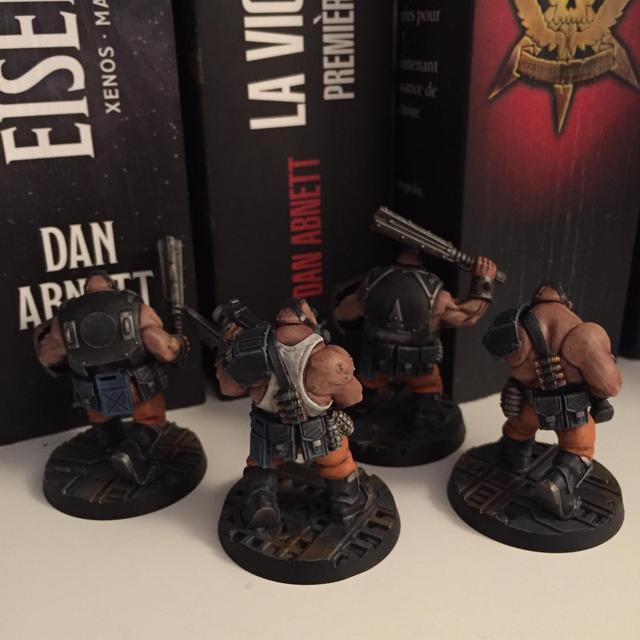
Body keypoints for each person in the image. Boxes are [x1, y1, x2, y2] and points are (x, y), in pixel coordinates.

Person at [216, 298, 364, 529]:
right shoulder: (326, 356)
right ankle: (346, 504)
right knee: (338, 463)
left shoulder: (252, 349)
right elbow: (354, 396)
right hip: (319, 430)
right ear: (308, 321)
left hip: (270, 430)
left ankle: (260, 500)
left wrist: (226, 357)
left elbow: (229, 388)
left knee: (262, 465)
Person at [483, 283, 623, 518]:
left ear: (534, 301)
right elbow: (610, 384)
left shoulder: (514, 325)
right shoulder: (582, 332)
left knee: (518, 431)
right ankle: (558, 484)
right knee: (579, 446)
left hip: (525, 407)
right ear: (567, 303)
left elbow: (499, 355)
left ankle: (512, 459)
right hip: (567, 412)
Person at [35, 271, 187, 485]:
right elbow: (158, 343)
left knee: (102, 421)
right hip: (136, 384)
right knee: (150, 418)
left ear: (85, 290)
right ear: (113, 286)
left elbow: (49, 355)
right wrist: (177, 346)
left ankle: (109, 444)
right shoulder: (135, 307)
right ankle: (132, 451)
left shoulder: (66, 316)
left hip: (92, 389)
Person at [334, 249, 498, 430]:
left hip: (378, 359)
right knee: (427, 388)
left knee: (365, 389)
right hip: (416, 364)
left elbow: (343, 313)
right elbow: (469, 315)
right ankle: (421, 418)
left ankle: (360, 409)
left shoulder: (371, 283)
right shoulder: (439, 296)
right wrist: (483, 280)